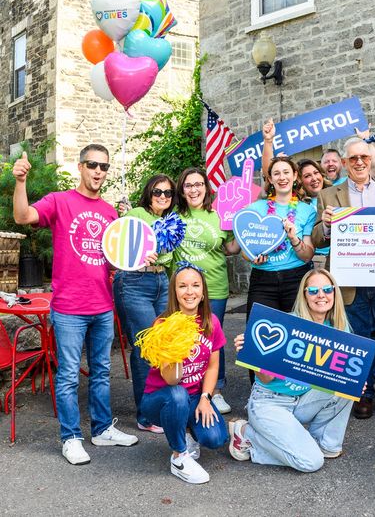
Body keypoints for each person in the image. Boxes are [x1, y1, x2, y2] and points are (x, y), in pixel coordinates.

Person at [12, 145, 139, 464]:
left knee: (101, 371)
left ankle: (101, 429)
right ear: (80, 166)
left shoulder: (111, 212)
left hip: (101, 306)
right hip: (68, 308)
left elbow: (113, 261)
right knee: (68, 374)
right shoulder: (59, 201)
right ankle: (70, 437)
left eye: (104, 167)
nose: (99, 171)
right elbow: (22, 216)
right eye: (93, 165)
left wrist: (137, 259)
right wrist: (21, 182)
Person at [312, 136, 375, 424]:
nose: (359, 162)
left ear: (371, 160)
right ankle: (362, 392)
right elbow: (317, 238)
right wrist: (327, 226)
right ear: (344, 163)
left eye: (363, 157)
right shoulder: (330, 196)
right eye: (352, 158)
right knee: (356, 340)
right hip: (349, 282)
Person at [228, 269, 354, 472]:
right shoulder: (284, 325)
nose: (321, 295)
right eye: (313, 290)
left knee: (347, 387)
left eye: (327, 289)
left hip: (303, 399)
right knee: (311, 462)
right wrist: (254, 354)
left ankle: (324, 443)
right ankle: (246, 435)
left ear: (334, 293)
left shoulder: (338, 328)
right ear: (304, 295)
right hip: (270, 401)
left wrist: (355, 382)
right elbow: (266, 379)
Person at [140, 262, 229, 484]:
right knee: (177, 394)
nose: (190, 292)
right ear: (174, 292)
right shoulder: (163, 324)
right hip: (160, 400)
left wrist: (205, 398)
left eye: (195, 285)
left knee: (215, 438)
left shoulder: (211, 322)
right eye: (183, 286)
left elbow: (212, 366)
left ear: (203, 291)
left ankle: (187, 429)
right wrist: (177, 346)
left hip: (193, 398)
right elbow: (172, 379)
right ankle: (179, 456)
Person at [114, 174, 179, 434]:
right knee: (144, 347)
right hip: (135, 281)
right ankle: (145, 415)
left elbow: (171, 258)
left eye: (168, 193)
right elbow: (121, 242)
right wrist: (124, 216)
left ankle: (158, 403)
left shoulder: (170, 220)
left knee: (162, 345)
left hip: (161, 280)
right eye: (157, 192)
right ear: (148, 193)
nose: (162, 196)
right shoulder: (137, 214)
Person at [174, 168, 239, 413]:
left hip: (214, 286)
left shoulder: (219, 214)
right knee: (185, 338)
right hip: (184, 289)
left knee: (213, 339)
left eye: (198, 184)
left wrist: (245, 231)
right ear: (182, 189)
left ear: (206, 187)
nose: (194, 189)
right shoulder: (175, 215)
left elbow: (231, 248)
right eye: (188, 185)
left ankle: (216, 390)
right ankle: (186, 388)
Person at [248, 124, 317, 320]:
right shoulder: (255, 209)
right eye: (276, 173)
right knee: (259, 334)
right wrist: (252, 256)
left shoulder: (307, 211)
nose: (282, 177)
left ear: (295, 176)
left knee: (299, 335)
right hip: (263, 280)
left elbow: (307, 256)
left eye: (286, 172)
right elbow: (246, 251)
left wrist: (294, 238)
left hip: (296, 277)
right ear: (269, 178)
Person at [297, 158, 332, 268]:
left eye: (316, 173)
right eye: (307, 176)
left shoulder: (335, 195)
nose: (314, 178)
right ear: (300, 181)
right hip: (311, 259)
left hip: (334, 257)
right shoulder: (297, 205)